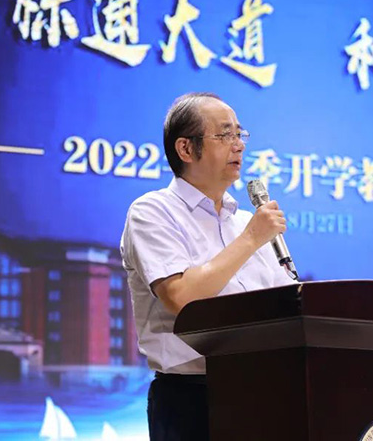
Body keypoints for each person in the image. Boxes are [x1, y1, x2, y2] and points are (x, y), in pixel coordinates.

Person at [120, 92, 296, 441]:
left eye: (240, 134)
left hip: (264, 392)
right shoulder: (152, 212)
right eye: (225, 135)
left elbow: (288, 306)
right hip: (192, 399)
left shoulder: (245, 221)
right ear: (186, 149)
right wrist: (251, 239)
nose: (239, 145)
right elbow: (182, 298)